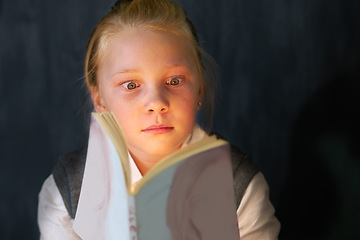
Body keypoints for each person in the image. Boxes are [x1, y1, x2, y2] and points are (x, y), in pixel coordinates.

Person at [37, 0, 280, 239]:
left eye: (174, 81)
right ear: (100, 100)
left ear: (199, 89)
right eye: (131, 85)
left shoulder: (239, 187)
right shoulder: (68, 192)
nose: (156, 103)